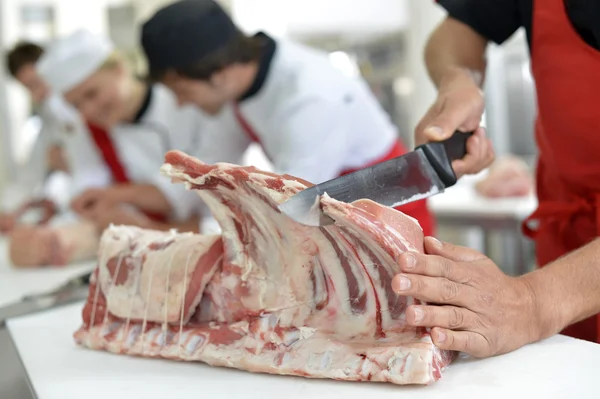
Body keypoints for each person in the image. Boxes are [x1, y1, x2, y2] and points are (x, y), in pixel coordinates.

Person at [390, 0, 600, 356]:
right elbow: (455, 33)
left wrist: (532, 303)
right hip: (565, 246)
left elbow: (533, 305)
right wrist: (459, 81)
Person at [138, 0, 436, 237]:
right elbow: (203, 169)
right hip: (331, 222)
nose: (179, 103)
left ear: (220, 74)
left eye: (181, 90)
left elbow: (292, 212)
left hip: (390, 221)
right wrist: (118, 201)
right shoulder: (237, 89)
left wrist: (172, 231)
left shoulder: (309, 96)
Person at [36, 28, 206, 233]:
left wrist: (117, 197)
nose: (88, 111)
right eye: (75, 105)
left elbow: (194, 192)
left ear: (119, 68)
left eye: (92, 94)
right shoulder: (91, 130)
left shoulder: (183, 103)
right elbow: (88, 184)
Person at [1, 41, 78, 233]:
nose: (37, 95)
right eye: (28, 88)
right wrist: (10, 210)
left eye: (36, 83)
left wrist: (68, 165)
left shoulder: (80, 107)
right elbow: (30, 177)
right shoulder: (48, 121)